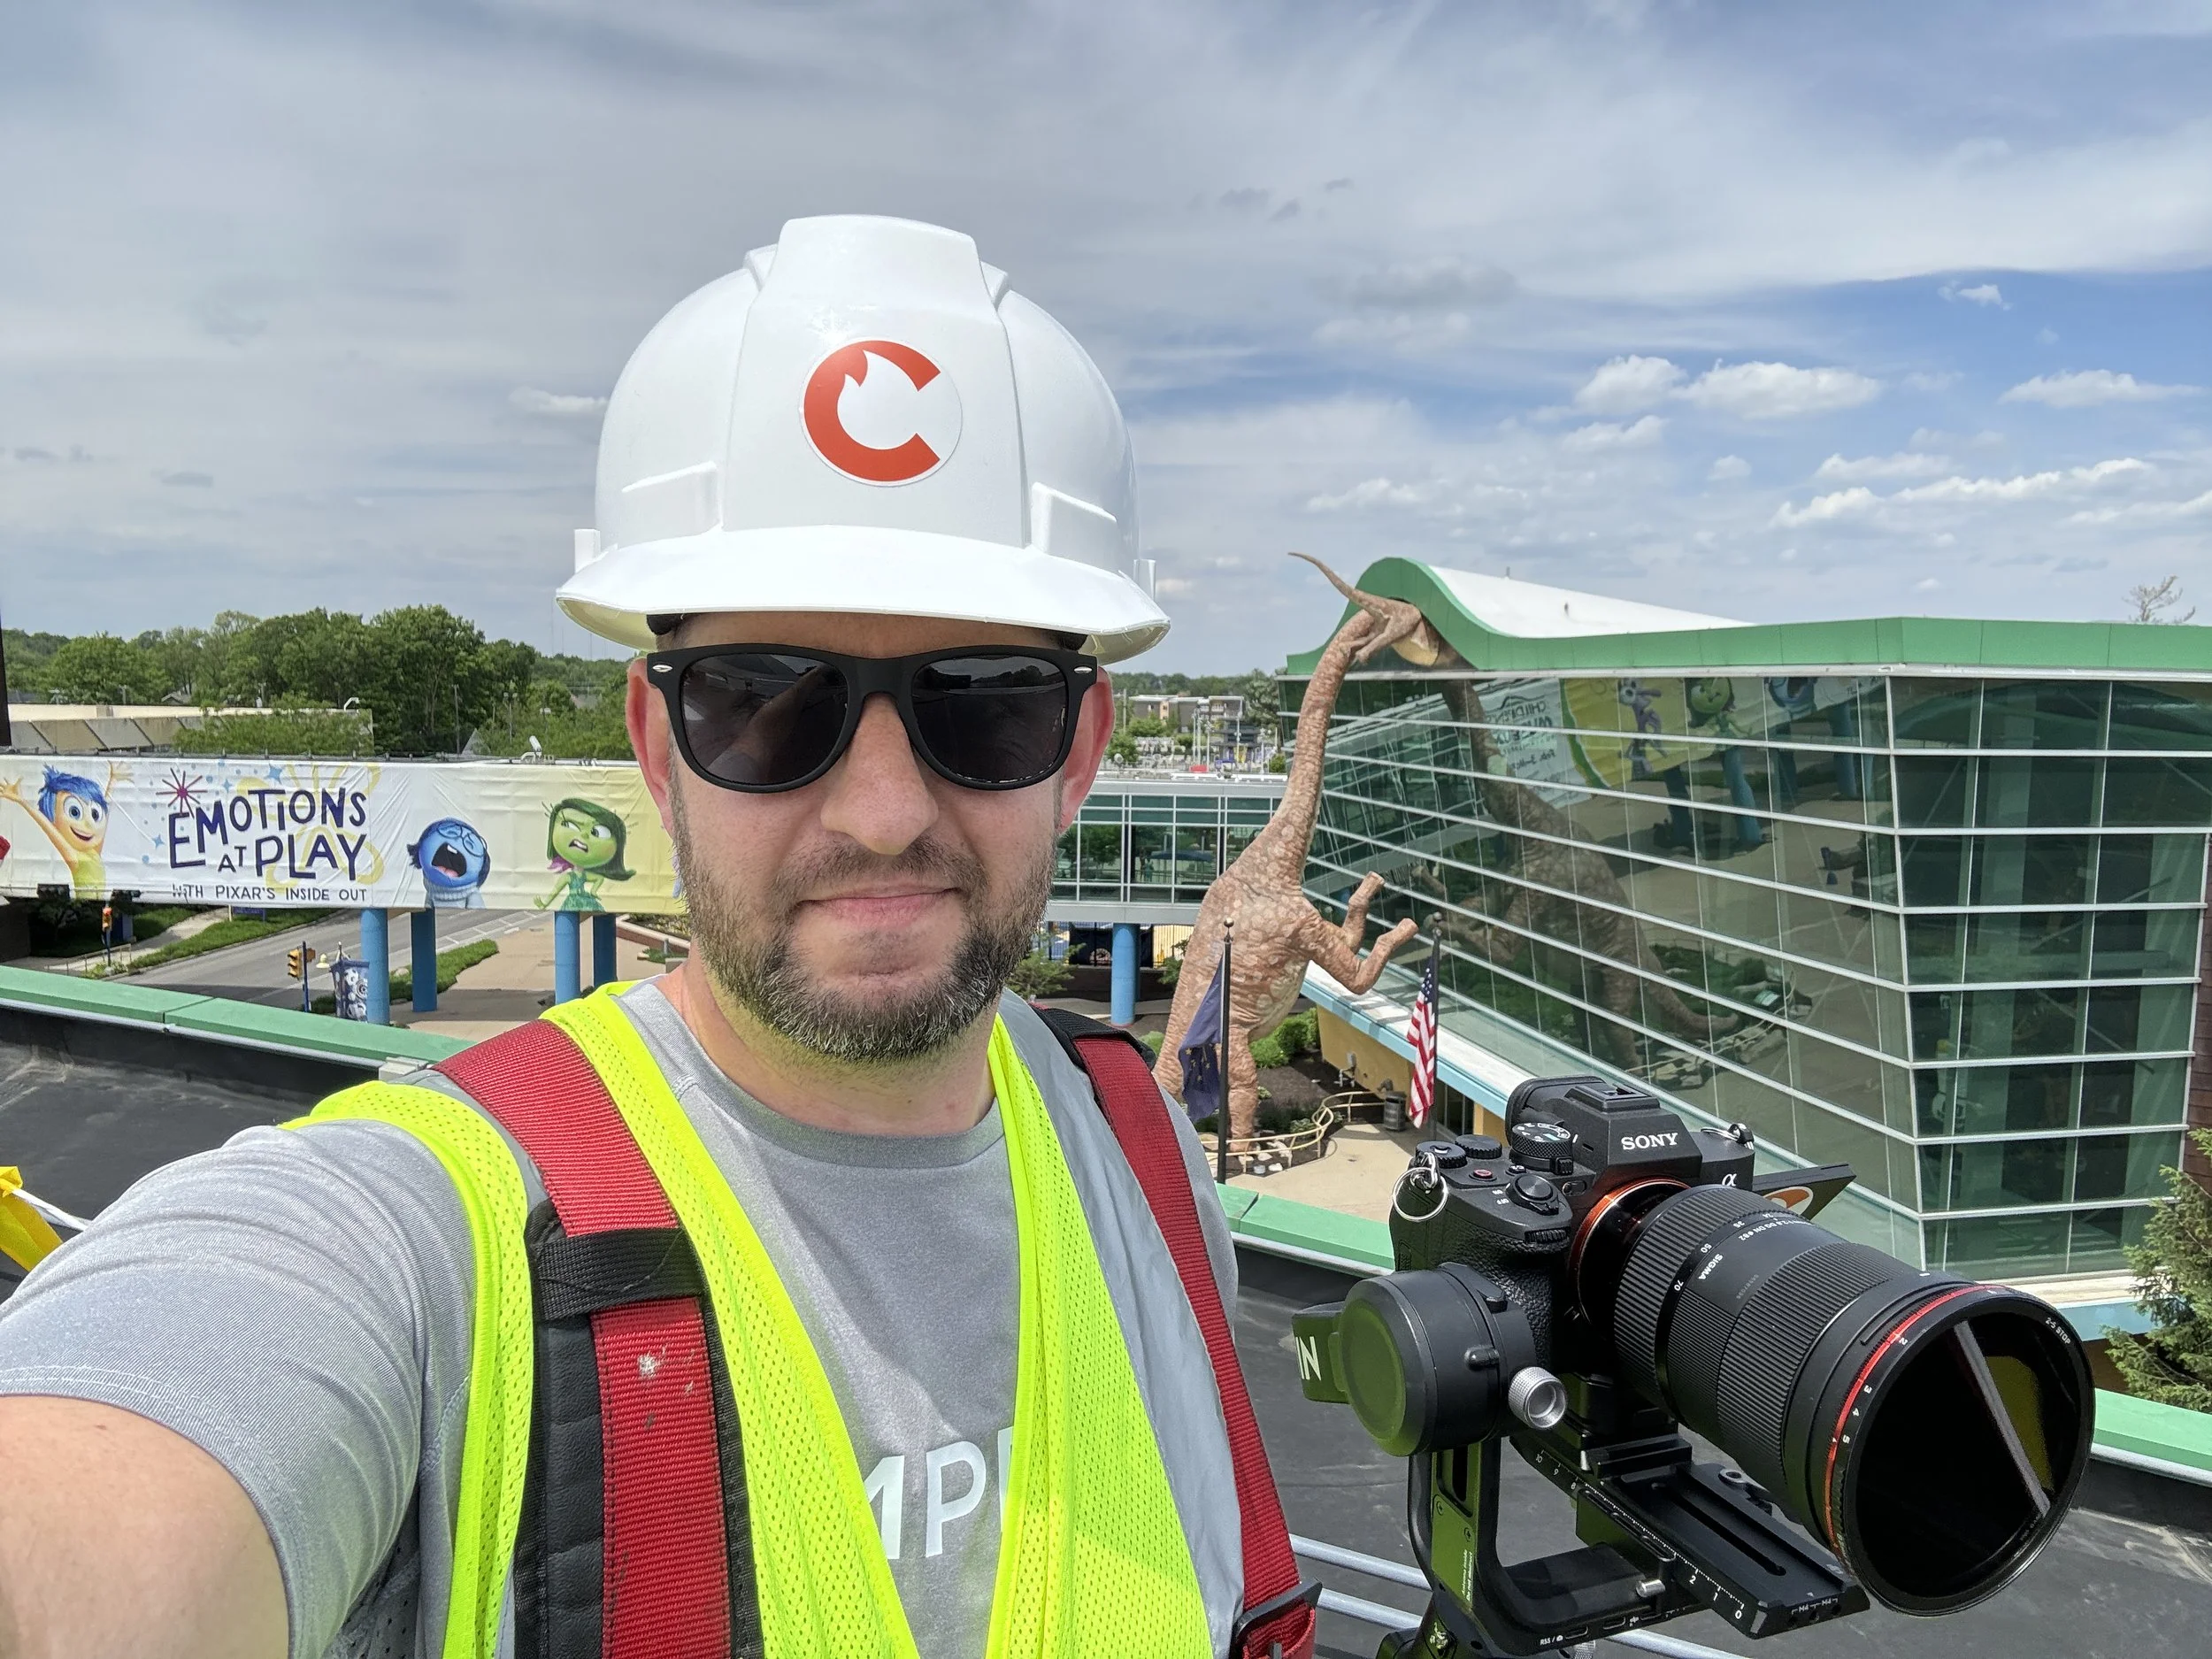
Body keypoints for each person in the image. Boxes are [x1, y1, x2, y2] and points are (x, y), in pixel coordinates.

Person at [0, 217, 1309, 1659]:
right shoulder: (430, 1237)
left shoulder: (1146, 1165)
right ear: (657, 743)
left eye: (987, 698)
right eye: (764, 701)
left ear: (1078, 747)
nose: (880, 809)